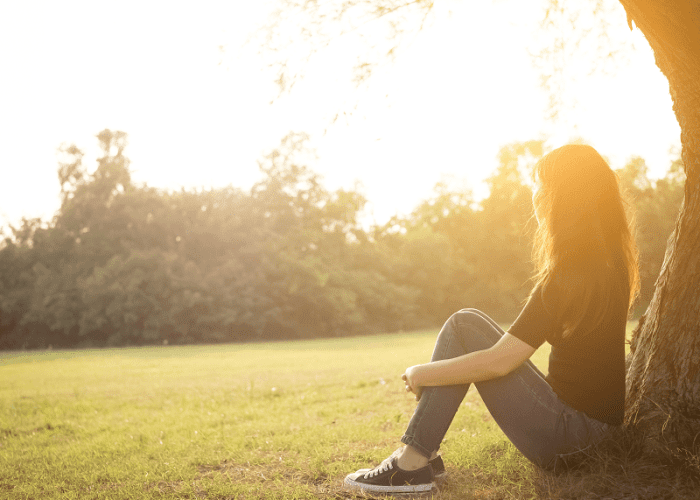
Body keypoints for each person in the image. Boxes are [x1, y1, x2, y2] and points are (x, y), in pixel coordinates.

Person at [344, 144, 640, 495]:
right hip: (597, 436)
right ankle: (424, 455)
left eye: (542, 188)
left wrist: (421, 373)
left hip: (568, 437)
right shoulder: (614, 264)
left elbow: (500, 361)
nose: (536, 197)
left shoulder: (568, 274)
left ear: (564, 199)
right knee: (467, 324)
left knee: (463, 326)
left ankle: (412, 461)